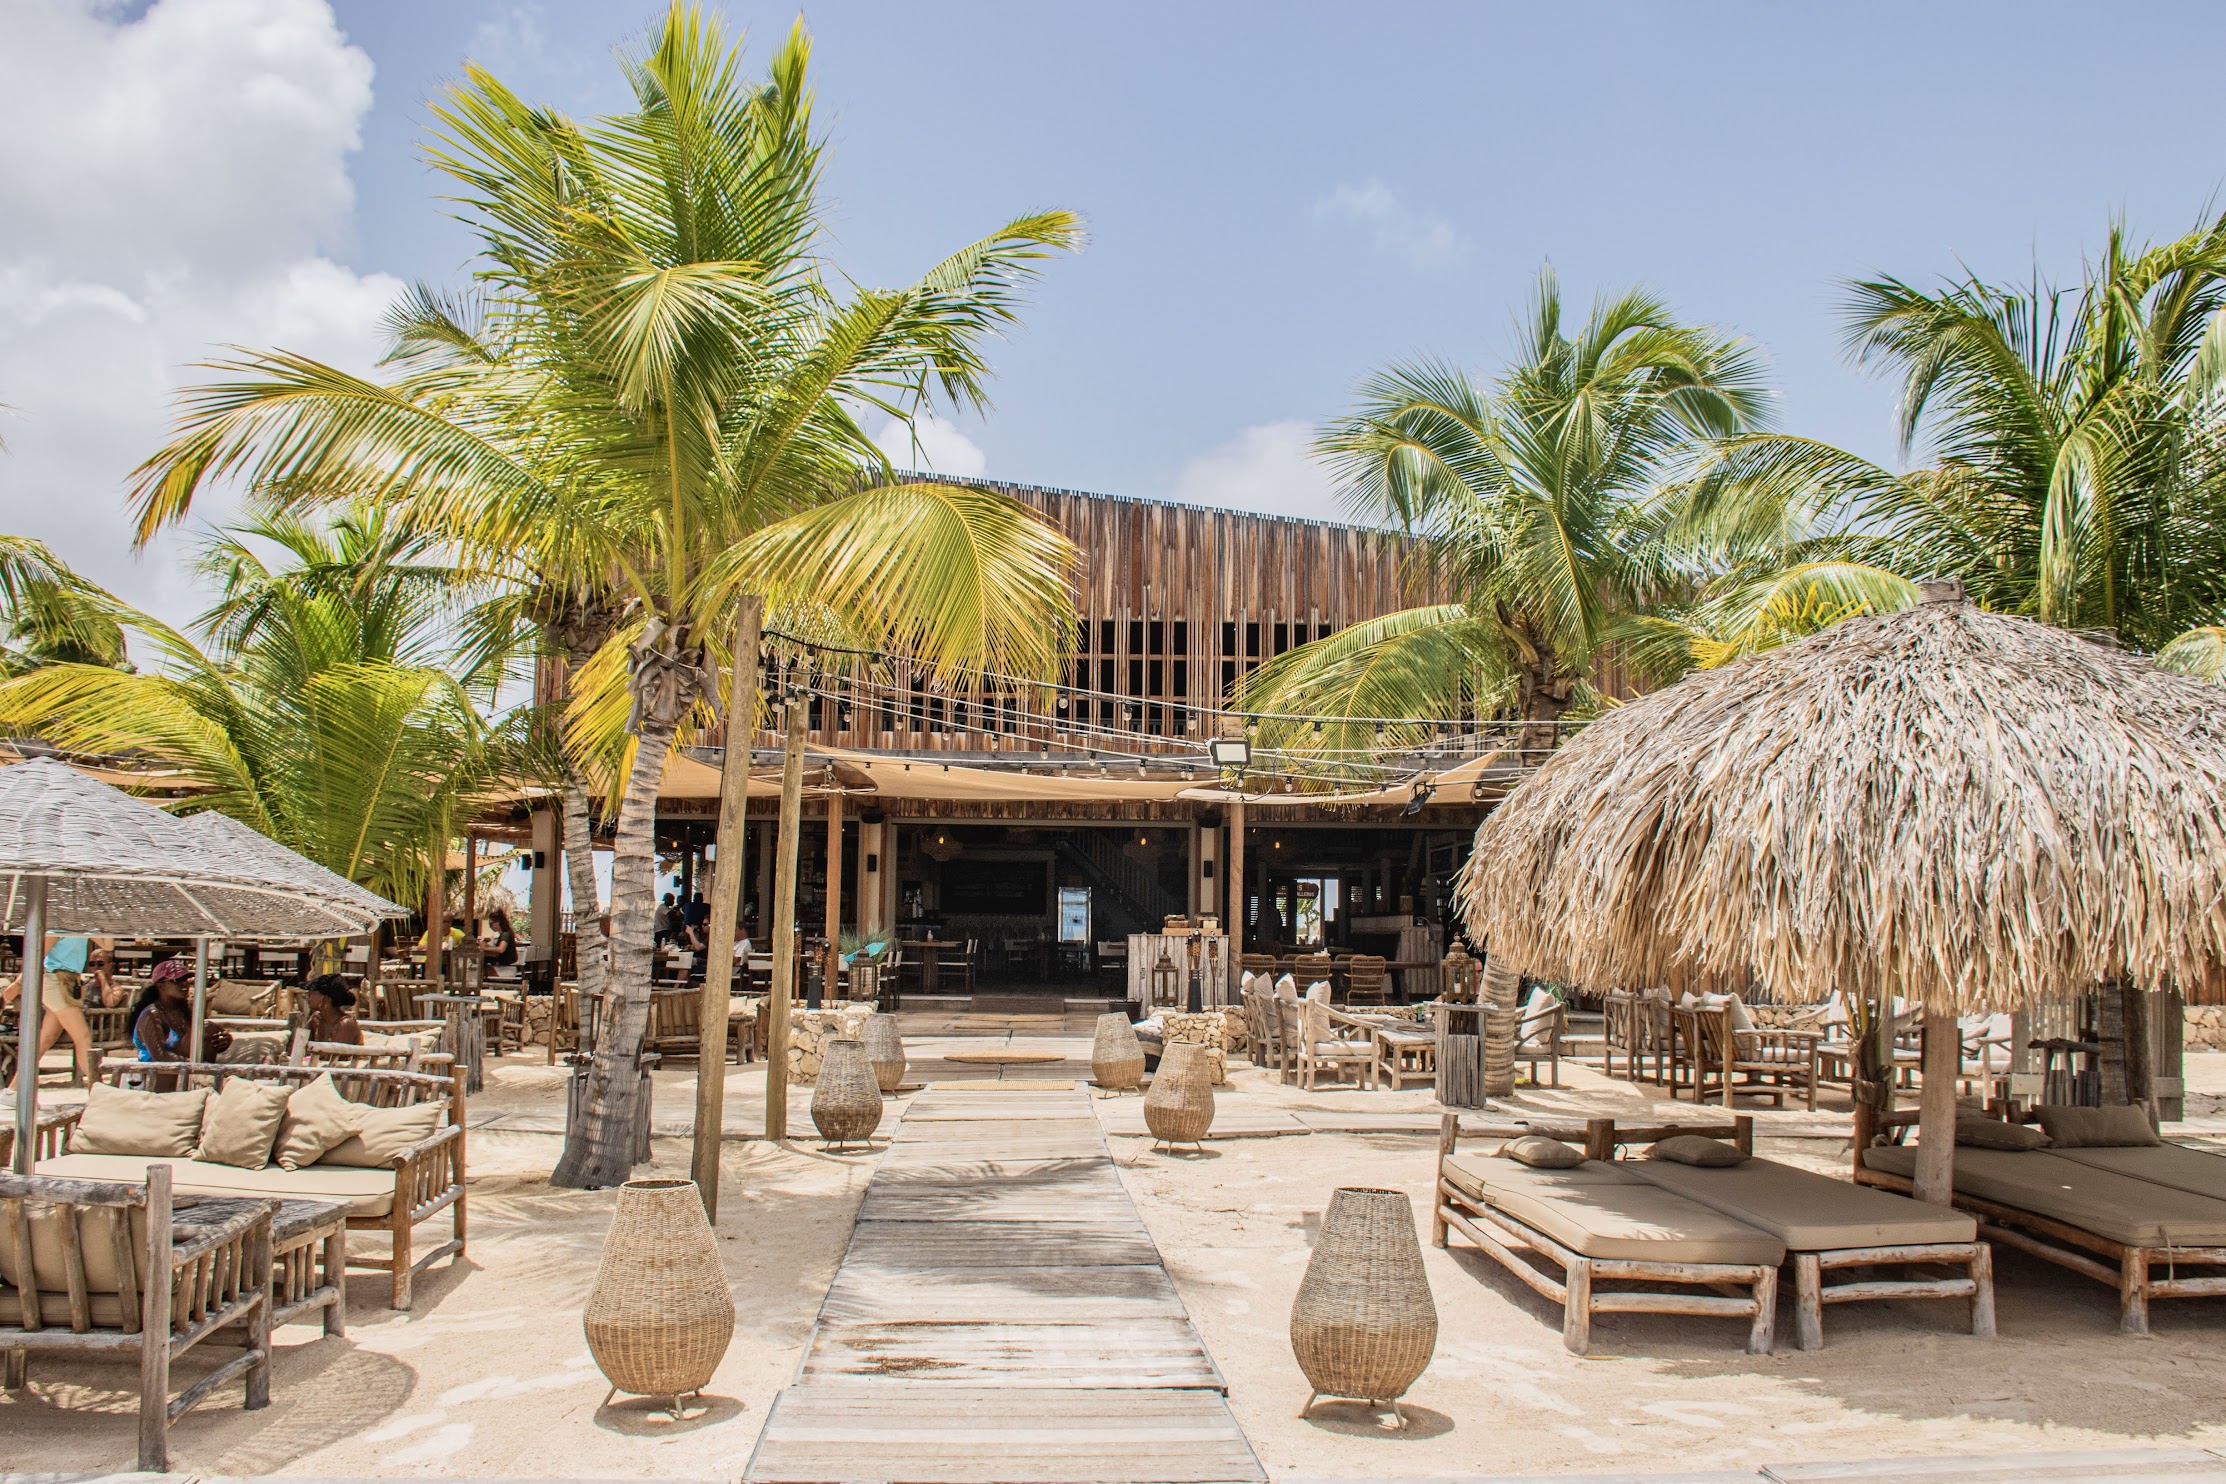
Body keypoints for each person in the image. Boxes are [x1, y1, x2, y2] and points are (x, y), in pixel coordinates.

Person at [2, 932, 104, 1087]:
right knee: (83, 1037)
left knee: (45, 1040)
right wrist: (18, 983)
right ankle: (98, 1089)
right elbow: (36, 955)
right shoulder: (58, 927)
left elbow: (108, 945)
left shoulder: (84, 927)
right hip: (55, 981)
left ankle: (14, 1089)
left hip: (70, 983)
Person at [130, 958, 231, 1072]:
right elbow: (160, 1057)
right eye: (178, 980)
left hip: (181, 1071)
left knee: (208, 1028)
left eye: (186, 980)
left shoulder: (183, 1011)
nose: (185, 984)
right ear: (161, 986)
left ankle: (199, 1079)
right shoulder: (152, 1014)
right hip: (155, 1075)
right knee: (205, 1029)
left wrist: (225, 1040)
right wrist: (200, 1066)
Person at [301, 973, 363, 1046]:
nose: (308, 996)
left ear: (325, 998)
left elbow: (335, 1056)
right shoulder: (317, 1020)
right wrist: (308, 1025)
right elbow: (299, 1047)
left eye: (312, 993)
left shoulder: (345, 1024)